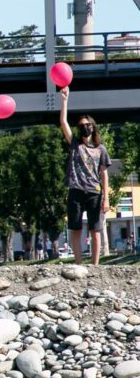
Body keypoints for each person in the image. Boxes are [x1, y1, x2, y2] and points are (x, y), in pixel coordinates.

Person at [58, 87, 110, 267]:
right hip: (76, 191)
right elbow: (63, 122)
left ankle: (95, 265)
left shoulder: (101, 149)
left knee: (95, 230)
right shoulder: (74, 144)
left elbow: (103, 172)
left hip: (94, 192)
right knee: (76, 229)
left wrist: (106, 198)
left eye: (87, 124)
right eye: (81, 125)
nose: (85, 127)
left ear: (93, 127)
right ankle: (79, 264)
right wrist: (65, 100)